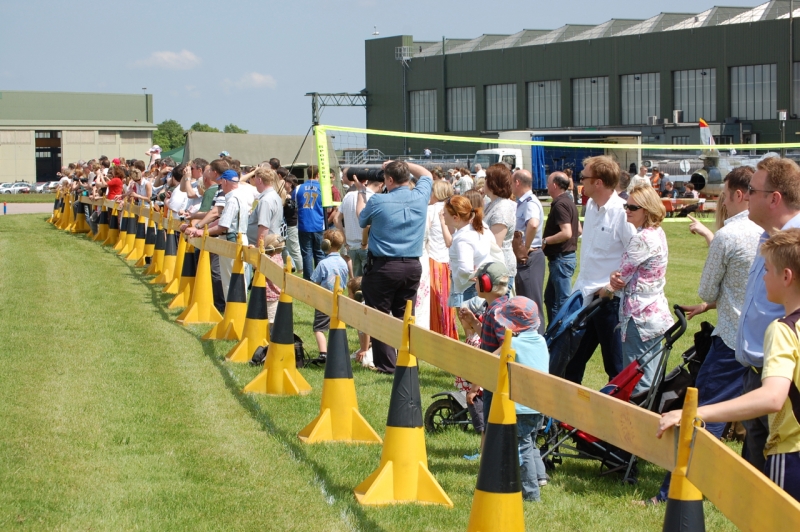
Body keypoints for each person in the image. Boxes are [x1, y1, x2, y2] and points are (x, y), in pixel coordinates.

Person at [658, 228, 800, 503]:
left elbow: (772, 397)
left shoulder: (783, 330)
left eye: (766, 270)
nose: (762, 278)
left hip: (792, 453)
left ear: (786, 277)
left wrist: (696, 413)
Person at [736, 156, 800, 470]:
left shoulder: (795, 242)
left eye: (752, 189)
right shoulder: (768, 237)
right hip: (757, 371)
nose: (745, 196)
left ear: (774, 198)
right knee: (757, 481)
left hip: (783, 382)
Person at [355, 160, 433, 374]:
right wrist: (402, 163)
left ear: (389, 179)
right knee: (406, 315)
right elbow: (426, 173)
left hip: (383, 266)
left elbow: (361, 219)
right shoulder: (420, 196)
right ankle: (408, 361)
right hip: (412, 266)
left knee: (379, 315)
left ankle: (387, 366)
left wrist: (361, 193)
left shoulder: (379, 201)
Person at [566, 156, 635, 384]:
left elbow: (636, 254)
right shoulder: (591, 207)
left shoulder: (623, 213)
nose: (580, 182)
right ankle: (566, 417)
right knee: (571, 361)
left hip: (609, 302)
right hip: (585, 298)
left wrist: (612, 286)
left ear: (598, 182)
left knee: (615, 367)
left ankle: (619, 416)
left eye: (583, 177)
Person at [608, 185, 673, 394]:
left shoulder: (642, 238)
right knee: (651, 375)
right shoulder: (657, 233)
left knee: (639, 379)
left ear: (647, 210)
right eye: (627, 205)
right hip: (655, 312)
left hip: (640, 317)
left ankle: (639, 423)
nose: (627, 210)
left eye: (633, 207)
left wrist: (612, 279)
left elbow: (620, 277)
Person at [494, 298, 550, 501]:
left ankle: (530, 493)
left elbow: (495, 364)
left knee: (522, 448)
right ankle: (540, 476)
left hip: (521, 407)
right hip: (539, 405)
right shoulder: (542, 341)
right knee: (531, 443)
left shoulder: (513, 344)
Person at [247, 167, 285, 321]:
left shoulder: (267, 200)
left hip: (267, 250)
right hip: (272, 248)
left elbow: (263, 228)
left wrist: (258, 252)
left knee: (268, 290)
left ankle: (268, 323)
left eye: (255, 178)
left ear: (259, 180)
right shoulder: (273, 196)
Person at [441, 195, 492, 307]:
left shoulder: (462, 240)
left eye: (445, 213)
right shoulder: (478, 227)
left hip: (469, 287)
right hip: (480, 282)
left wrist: (462, 275)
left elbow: (465, 269)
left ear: (455, 217)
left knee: (470, 322)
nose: (443, 215)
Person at [542, 171, 579, 323]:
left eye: (548, 182)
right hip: (561, 259)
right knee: (550, 299)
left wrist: (546, 241)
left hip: (561, 259)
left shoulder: (561, 204)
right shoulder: (568, 201)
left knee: (562, 302)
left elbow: (567, 232)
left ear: (555, 185)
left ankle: (564, 337)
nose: (546, 186)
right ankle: (554, 334)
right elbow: (579, 229)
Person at [512, 169, 546, 334]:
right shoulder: (523, 202)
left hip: (530, 257)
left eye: (512, 182)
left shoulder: (530, 202)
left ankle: (537, 341)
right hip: (527, 257)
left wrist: (525, 247)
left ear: (517, 182)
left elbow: (533, 224)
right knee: (525, 301)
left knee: (532, 304)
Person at [309, 229, 349, 364]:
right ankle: (338, 352)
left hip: (324, 301)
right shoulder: (344, 263)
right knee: (336, 326)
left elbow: (315, 282)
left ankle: (323, 353)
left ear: (325, 244)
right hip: (339, 301)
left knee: (319, 328)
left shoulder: (323, 263)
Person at [426, 180, 458, 339]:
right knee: (446, 297)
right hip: (448, 260)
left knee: (433, 298)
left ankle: (435, 330)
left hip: (432, 258)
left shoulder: (431, 210)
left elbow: (424, 235)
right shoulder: (451, 211)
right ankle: (447, 330)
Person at [483, 164, 518, 291]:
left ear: (493, 182)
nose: (484, 181)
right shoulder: (491, 204)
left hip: (500, 270)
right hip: (491, 268)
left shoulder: (502, 208)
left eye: (486, 178)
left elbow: (495, 245)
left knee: (498, 310)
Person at [296, 166, 326, 280]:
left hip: (304, 225)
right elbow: (328, 208)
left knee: (307, 254)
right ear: (318, 175)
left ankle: (308, 279)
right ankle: (321, 278)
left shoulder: (299, 188)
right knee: (319, 252)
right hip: (318, 225)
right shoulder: (323, 188)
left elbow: (291, 200)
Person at [281, 174, 303, 273]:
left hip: (291, 224)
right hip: (285, 225)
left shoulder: (294, 194)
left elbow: (292, 209)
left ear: (289, 183)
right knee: (284, 248)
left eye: (284, 182)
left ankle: (301, 270)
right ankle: (292, 266)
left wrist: (287, 199)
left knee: (294, 249)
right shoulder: (286, 194)